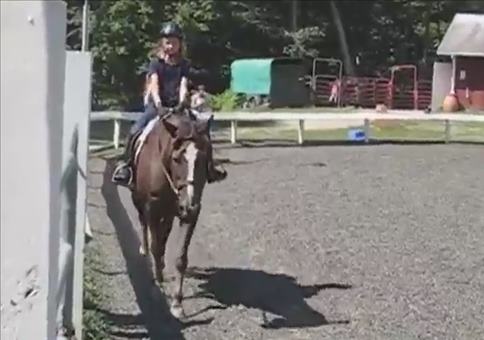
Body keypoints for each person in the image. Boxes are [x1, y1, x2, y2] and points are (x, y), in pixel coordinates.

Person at [112, 22, 227, 186]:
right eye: (168, 42)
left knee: (202, 129)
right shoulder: (155, 63)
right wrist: (158, 104)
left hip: (178, 106)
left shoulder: (184, 65)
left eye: (174, 42)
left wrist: (181, 103)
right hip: (158, 106)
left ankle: (210, 167)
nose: (171, 45)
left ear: (180, 44)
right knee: (135, 130)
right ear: (162, 43)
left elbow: (183, 84)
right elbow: (154, 84)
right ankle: (126, 166)